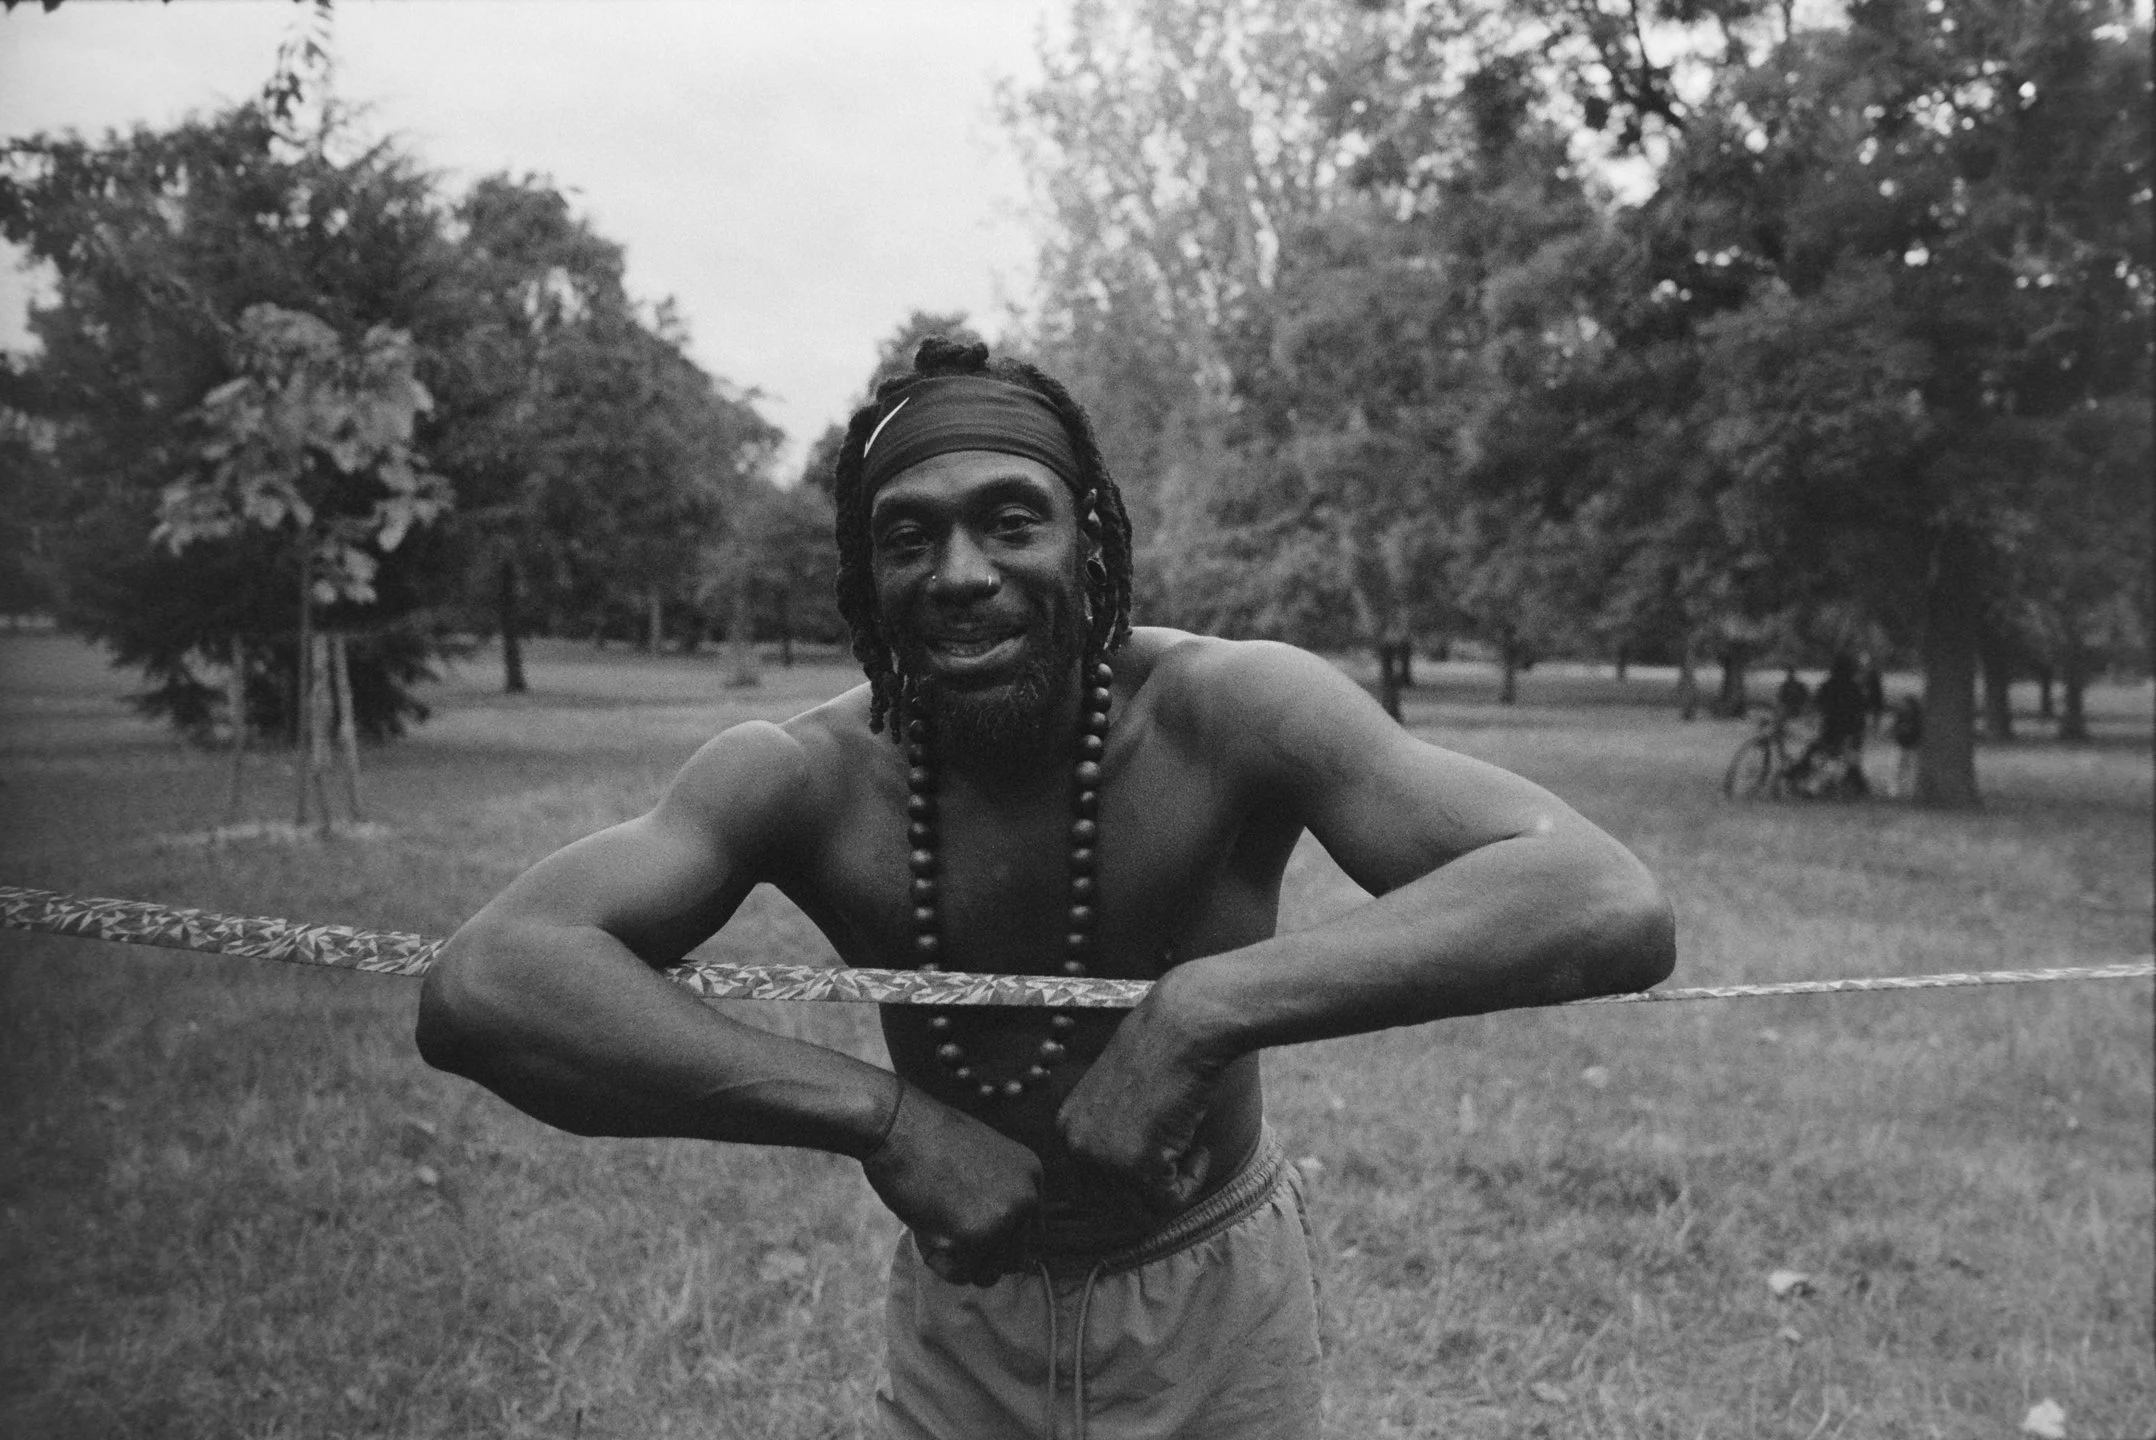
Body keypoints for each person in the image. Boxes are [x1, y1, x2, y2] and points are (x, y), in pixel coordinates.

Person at [414, 338, 1676, 1439]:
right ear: (867, 583)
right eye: (908, 537)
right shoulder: (794, 775)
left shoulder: (1232, 710)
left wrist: (1201, 1013)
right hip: (966, 1309)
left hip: (1210, 1291)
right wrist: (886, 1122)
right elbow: (488, 984)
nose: (960, 571)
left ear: (1091, 538)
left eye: (1010, 519)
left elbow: (1598, 896)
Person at [1888, 694, 1924, 798]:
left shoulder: (1917, 717)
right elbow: (1894, 729)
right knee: (1897, 768)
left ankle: (1909, 791)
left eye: (1906, 704)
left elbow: (1919, 731)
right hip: (1900, 744)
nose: (1903, 706)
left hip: (1914, 745)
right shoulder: (1900, 715)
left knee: (1911, 770)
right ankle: (1895, 791)